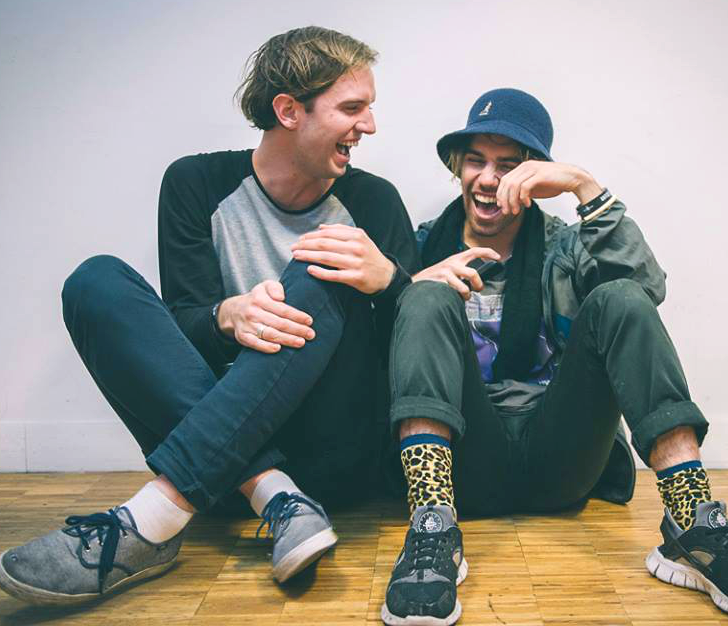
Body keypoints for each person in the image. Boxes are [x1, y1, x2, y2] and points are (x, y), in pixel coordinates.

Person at [0, 26, 418, 605]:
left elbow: (407, 349)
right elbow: (181, 327)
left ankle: (152, 519)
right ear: (288, 111)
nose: (368, 125)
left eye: (368, 108)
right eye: (352, 108)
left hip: (330, 456)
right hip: (219, 458)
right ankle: (274, 493)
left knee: (328, 259)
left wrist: (390, 280)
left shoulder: (373, 202)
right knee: (95, 281)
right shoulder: (194, 184)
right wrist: (227, 315)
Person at [374, 88, 728, 625]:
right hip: (465, 463)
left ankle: (695, 524)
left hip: (561, 456)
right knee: (423, 295)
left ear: (534, 175)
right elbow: (378, 351)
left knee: (620, 296)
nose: (488, 178)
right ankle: (431, 526)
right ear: (457, 167)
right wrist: (412, 283)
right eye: (476, 161)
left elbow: (646, 292)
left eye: (507, 165)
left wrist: (585, 186)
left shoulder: (566, 246)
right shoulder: (420, 246)